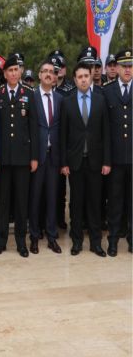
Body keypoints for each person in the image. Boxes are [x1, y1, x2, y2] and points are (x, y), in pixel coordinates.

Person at [61, 62, 111, 256]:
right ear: (75, 79)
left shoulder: (100, 100)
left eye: (86, 76)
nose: (83, 79)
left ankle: (96, 243)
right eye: (79, 76)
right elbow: (63, 135)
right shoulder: (67, 101)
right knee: (76, 203)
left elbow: (106, 133)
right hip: (75, 162)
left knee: (95, 203)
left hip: (96, 162)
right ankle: (77, 242)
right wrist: (64, 162)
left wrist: (107, 161)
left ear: (91, 78)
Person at [0, 54, 39, 258]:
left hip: (22, 159)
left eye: (16, 70)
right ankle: (1, 241)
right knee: (3, 202)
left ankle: (21, 241)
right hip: (4, 159)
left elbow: (34, 129)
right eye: (9, 70)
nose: (13, 73)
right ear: (4, 74)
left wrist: (34, 157)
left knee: (21, 202)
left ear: (20, 72)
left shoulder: (29, 93)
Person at [28, 60, 63, 254]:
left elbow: (62, 131)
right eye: (45, 71)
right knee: (35, 198)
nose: (49, 74)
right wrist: (32, 156)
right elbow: (29, 130)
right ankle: (34, 236)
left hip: (54, 157)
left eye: (52, 72)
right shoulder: (31, 98)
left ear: (55, 77)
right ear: (39, 76)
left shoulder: (60, 99)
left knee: (52, 198)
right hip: (37, 157)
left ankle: (51, 236)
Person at [103, 49, 132, 255]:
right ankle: (112, 240)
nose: (128, 70)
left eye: (131, 66)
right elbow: (104, 130)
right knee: (114, 201)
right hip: (114, 157)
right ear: (117, 69)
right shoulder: (107, 91)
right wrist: (106, 158)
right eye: (124, 66)